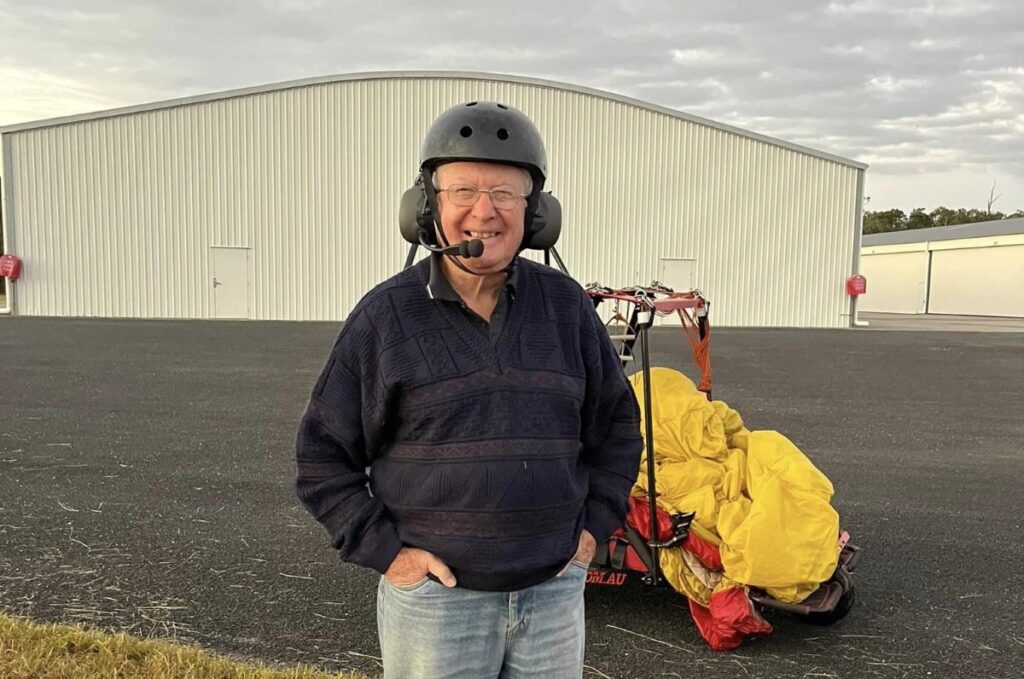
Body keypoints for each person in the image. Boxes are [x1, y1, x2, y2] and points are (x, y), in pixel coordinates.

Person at [295, 101, 642, 679]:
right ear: (427, 207)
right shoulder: (386, 317)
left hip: (553, 595)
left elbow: (618, 430)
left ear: (536, 214)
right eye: (463, 192)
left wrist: (591, 531)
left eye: (505, 193)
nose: (485, 212)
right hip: (436, 604)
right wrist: (390, 556)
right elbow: (321, 458)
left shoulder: (567, 307)